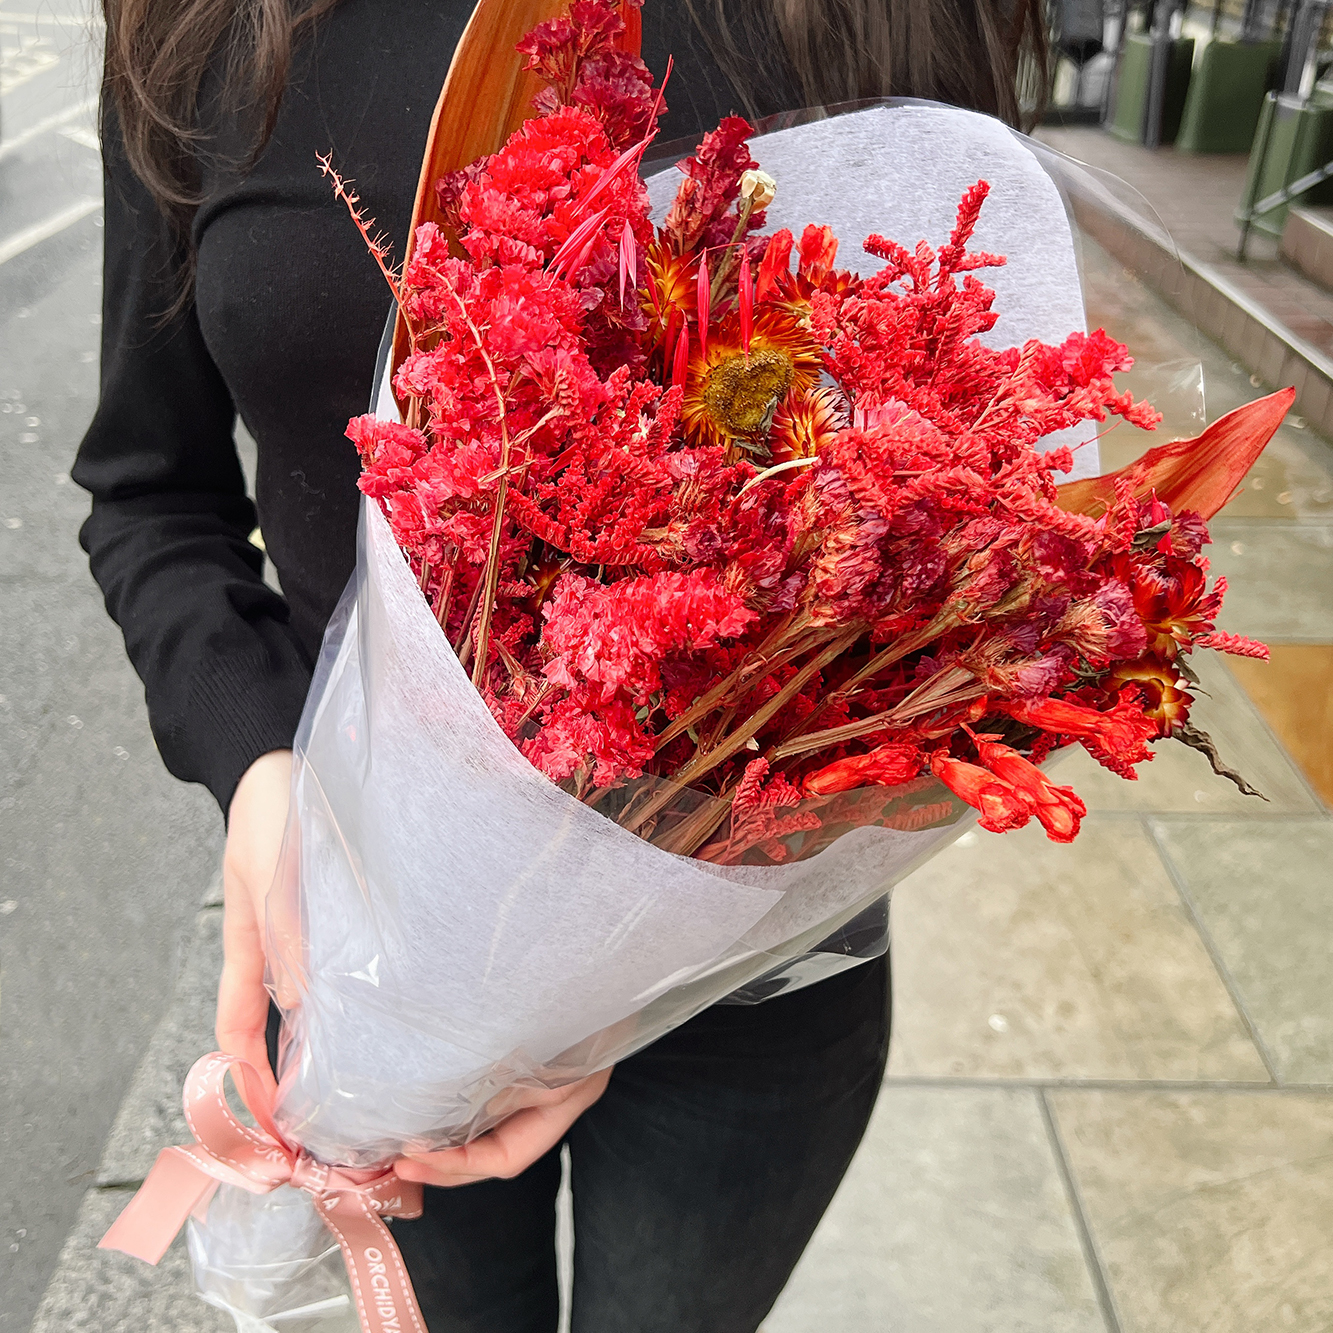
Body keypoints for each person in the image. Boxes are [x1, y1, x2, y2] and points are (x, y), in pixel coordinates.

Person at [75, 2, 1047, 1328]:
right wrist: (259, 770)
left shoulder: (870, 16)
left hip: (746, 979)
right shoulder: (201, 25)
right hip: (384, 956)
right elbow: (150, 492)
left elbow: (950, 488)